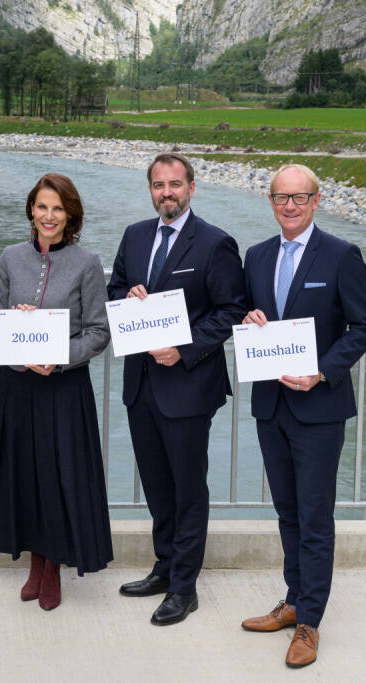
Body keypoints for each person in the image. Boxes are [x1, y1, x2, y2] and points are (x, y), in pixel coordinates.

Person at [239, 164, 366, 668]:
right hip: (271, 405)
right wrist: (249, 319)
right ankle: (294, 598)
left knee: (315, 518)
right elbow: (246, 315)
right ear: (271, 202)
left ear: (317, 200)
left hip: (319, 408)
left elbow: (365, 326)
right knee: (287, 512)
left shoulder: (342, 255)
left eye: (300, 198)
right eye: (281, 198)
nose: (290, 206)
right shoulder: (255, 257)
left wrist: (322, 371)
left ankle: (309, 623)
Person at [107, 152, 246, 626]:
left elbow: (230, 311)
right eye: (158, 185)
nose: (166, 192)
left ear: (191, 188)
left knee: (188, 489)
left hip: (187, 385)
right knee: (157, 486)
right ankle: (164, 567)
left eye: (175, 184)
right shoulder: (135, 236)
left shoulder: (215, 243)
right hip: (141, 384)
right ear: (150, 190)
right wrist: (125, 297)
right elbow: (114, 291)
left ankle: (185, 587)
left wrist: (183, 349)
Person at [0, 173, 112, 611]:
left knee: (58, 476)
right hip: (18, 385)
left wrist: (58, 356)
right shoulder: (9, 257)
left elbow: (99, 331)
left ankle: (54, 564)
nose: (49, 216)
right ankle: (34, 560)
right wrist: (16, 327)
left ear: (70, 214)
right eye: (42, 207)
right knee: (24, 473)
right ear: (31, 211)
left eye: (58, 208)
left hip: (64, 387)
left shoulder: (87, 262)